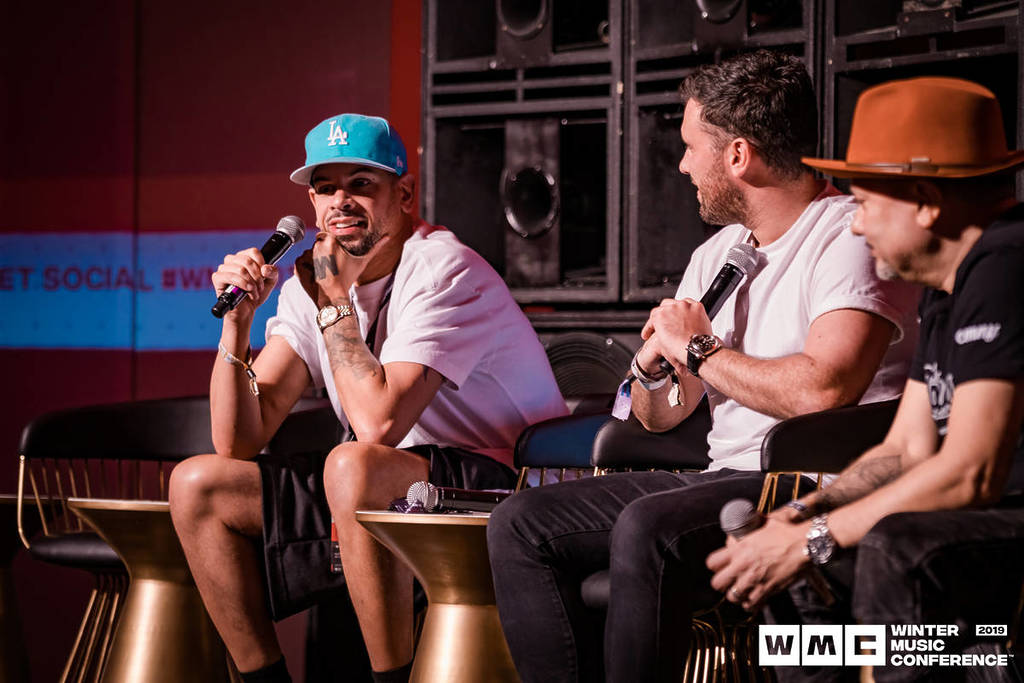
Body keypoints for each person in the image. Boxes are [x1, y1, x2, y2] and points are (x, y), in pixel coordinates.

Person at [487, 50, 920, 683]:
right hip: (722, 476)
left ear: (738, 155)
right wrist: (652, 370)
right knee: (520, 522)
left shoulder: (847, 236)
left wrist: (698, 349)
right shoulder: (717, 254)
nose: (683, 164)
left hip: (808, 479)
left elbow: (824, 390)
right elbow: (660, 418)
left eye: (692, 147)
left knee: (645, 526)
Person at [168, 113, 567, 683]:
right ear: (312, 202)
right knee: (199, 485)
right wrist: (237, 325)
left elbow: (380, 426)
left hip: (508, 489)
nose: (341, 202)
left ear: (403, 194)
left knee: (355, 463)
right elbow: (238, 440)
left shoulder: (444, 269)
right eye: (326, 187)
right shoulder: (315, 285)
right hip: (392, 485)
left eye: (361, 184)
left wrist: (335, 306)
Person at [706, 77, 1024, 682]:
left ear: (925, 201)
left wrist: (817, 537)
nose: (856, 225)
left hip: (1002, 523)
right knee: (793, 569)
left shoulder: (1007, 264)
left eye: (867, 204)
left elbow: (971, 472)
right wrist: (804, 514)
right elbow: (906, 449)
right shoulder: (949, 282)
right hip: (984, 518)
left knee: (891, 545)